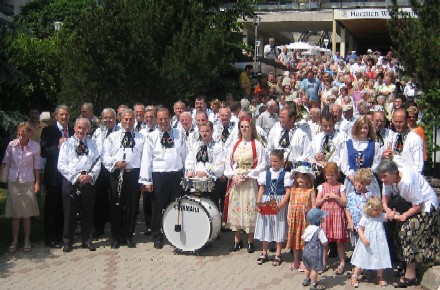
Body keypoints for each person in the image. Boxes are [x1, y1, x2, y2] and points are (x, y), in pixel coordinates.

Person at [377, 160, 439, 288]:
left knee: (407, 232)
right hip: (409, 204)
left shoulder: (406, 182)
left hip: (426, 206)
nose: (382, 180)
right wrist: (387, 210)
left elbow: (419, 205)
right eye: (380, 177)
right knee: (397, 229)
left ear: (394, 173)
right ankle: (406, 264)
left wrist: (404, 215)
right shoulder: (388, 178)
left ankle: (410, 275)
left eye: (385, 177)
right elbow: (385, 197)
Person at [139, 108, 187, 249]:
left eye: (166, 118)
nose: (163, 121)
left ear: (170, 118)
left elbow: (185, 154)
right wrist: (146, 180)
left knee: (176, 206)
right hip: (159, 175)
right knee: (157, 207)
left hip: (176, 175)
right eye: (160, 119)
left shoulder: (179, 134)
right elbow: (146, 159)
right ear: (156, 120)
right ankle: (157, 235)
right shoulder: (151, 137)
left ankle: (174, 234)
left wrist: (187, 173)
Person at [103, 109, 145, 249]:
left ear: (134, 120)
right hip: (117, 174)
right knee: (116, 206)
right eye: (126, 119)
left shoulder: (141, 137)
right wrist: (116, 162)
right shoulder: (112, 137)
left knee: (131, 207)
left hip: (133, 174)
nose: (128, 122)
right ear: (121, 120)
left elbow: (144, 158)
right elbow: (105, 156)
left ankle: (128, 236)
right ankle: (116, 237)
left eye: (131, 119)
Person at [57, 118, 101, 252]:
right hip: (71, 182)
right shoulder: (66, 144)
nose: (81, 130)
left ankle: (87, 240)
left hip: (88, 181)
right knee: (69, 212)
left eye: (84, 128)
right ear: (75, 128)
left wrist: (90, 176)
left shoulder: (92, 144)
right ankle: (68, 241)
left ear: (88, 130)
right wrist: (76, 177)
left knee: (87, 212)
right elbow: (61, 165)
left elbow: (97, 161)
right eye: (79, 127)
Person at [224, 117, 266, 253]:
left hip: (249, 181)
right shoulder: (235, 144)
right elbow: (227, 162)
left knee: (249, 209)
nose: (244, 129)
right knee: (236, 208)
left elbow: (262, 164)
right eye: (242, 127)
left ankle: (250, 241)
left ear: (251, 128)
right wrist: (234, 176)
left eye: (247, 126)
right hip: (236, 182)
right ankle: (237, 240)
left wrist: (249, 175)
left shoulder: (257, 144)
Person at [1, 123, 40, 253]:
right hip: (14, 182)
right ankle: (15, 240)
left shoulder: (35, 147)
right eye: (19, 132)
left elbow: (36, 166)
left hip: (28, 182)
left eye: (24, 132)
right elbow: (5, 162)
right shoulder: (12, 145)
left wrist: (37, 182)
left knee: (27, 214)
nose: (21, 135)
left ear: (29, 133)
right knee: (15, 214)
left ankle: (27, 240)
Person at [40, 105, 74, 249]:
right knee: (51, 207)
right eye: (61, 115)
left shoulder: (73, 131)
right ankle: (49, 238)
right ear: (56, 116)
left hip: (68, 175)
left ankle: (61, 236)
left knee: (64, 207)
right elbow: (43, 151)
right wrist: (58, 147)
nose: (64, 117)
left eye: (66, 114)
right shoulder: (48, 131)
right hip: (53, 175)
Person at [254, 150, 292, 266]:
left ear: (282, 161)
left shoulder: (286, 174)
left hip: (278, 202)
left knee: (279, 226)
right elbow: (261, 188)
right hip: (266, 201)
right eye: (271, 161)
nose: (273, 163)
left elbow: (288, 191)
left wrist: (282, 204)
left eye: (275, 161)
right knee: (266, 225)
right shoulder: (265, 173)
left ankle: (278, 253)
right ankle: (264, 252)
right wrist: (258, 203)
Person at [350, 196, 391, 288]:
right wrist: (363, 238)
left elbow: (390, 216)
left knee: (379, 259)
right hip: (367, 242)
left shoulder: (381, 216)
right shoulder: (366, 217)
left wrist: (395, 214)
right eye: (376, 210)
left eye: (380, 209)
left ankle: (380, 276)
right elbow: (359, 229)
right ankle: (355, 275)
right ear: (369, 208)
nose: (378, 212)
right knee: (361, 259)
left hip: (379, 242)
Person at [315, 162, 347, 275]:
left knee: (339, 242)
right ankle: (323, 262)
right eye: (327, 175)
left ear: (337, 175)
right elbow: (317, 202)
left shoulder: (341, 186)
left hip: (337, 216)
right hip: (325, 217)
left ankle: (342, 262)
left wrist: (336, 197)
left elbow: (344, 202)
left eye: (332, 175)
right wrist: (324, 198)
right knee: (324, 241)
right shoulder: (322, 187)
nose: (329, 177)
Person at [92, 108, 119, 238]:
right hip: (100, 169)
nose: (108, 120)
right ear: (101, 119)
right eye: (105, 118)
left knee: (115, 198)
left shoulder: (120, 132)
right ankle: (98, 228)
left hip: (115, 168)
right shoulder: (97, 132)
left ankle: (117, 228)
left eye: (110, 117)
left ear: (115, 118)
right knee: (99, 199)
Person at [184, 122, 225, 208]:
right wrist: (190, 171)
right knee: (196, 206)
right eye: (202, 131)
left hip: (212, 183)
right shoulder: (195, 145)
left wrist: (206, 173)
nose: (204, 133)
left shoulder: (218, 147)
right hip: (196, 181)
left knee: (212, 207)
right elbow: (190, 160)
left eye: (207, 131)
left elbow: (220, 165)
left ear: (212, 131)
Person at [286, 161, 316, 272]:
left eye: (303, 177)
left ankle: (305, 261)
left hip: (305, 220)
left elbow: (313, 205)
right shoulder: (293, 190)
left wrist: (313, 219)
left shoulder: (310, 191)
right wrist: (288, 215)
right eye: (298, 177)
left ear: (308, 179)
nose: (300, 180)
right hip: (295, 218)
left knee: (305, 241)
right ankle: (296, 260)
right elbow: (290, 203)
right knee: (295, 240)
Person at [340, 116, 381, 195]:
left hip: (368, 182)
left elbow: (376, 164)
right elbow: (344, 164)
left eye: (365, 128)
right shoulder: (348, 144)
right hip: (352, 181)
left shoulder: (375, 145)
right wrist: (353, 178)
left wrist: (365, 178)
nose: (363, 130)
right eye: (360, 128)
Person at [345, 168, 380, 247]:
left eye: (361, 183)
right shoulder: (350, 195)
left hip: (365, 225)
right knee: (356, 245)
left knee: (366, 244)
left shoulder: (369, 196)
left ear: (366, 184)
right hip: (354, 224)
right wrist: (350, 222)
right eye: (356, 181)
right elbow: (347, 209)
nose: (358, 184)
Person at [382, 108, 424, 173]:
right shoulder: (393, 137)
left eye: (401, 122)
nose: (398, 125)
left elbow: (418, 167)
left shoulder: (415, 139)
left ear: (407, 121)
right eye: (395, 122)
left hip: (408, 178)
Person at [301, 208, 329, 290]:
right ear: (319, 220)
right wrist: (324, 244)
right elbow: (325, 242)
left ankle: (306, 280)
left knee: (307, 267)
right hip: (315, 253)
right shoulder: (319, 231)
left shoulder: (308, 228)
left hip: (306, 253)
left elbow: (303, 238)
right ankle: (314, 284)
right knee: (314, 269)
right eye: (322, 217)